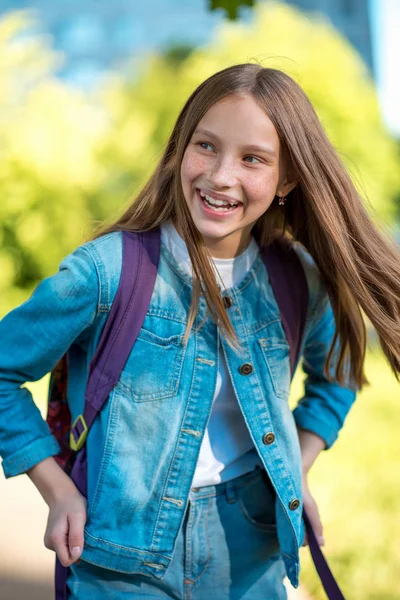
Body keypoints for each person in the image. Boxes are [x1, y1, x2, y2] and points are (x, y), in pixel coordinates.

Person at [1, 63, 400, 600]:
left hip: (251, 547)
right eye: (206, 146)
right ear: (179, 150)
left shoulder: (295, 279)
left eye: (252, 159)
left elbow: (337, 376)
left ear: (286, 182)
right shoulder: (108, 271)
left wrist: (294, 465)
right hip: (120, 552)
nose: (220, 175)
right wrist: (57, 491)